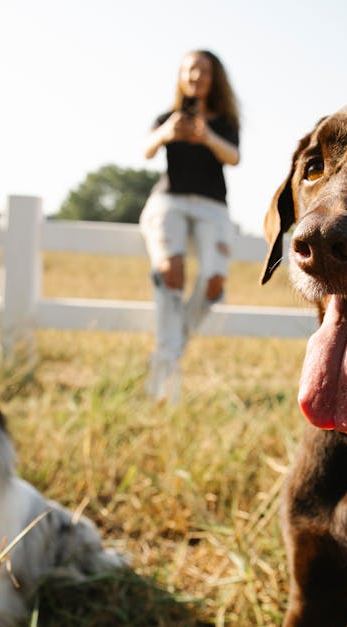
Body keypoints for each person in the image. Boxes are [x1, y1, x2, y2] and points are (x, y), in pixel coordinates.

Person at [139, 49, 241, 402]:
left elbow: (234, 157)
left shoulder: (224, 121)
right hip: (170, 199)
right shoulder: (167, 117)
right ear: (181, 76)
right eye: (190, 70)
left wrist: (207, 137)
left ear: (215, 78)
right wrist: (168, 132)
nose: (196, 76)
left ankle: (168, 349)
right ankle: (167, 359)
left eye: (203, 71)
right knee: (170, 268)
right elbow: (147, 150)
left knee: (214, 280)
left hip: (212, 205)